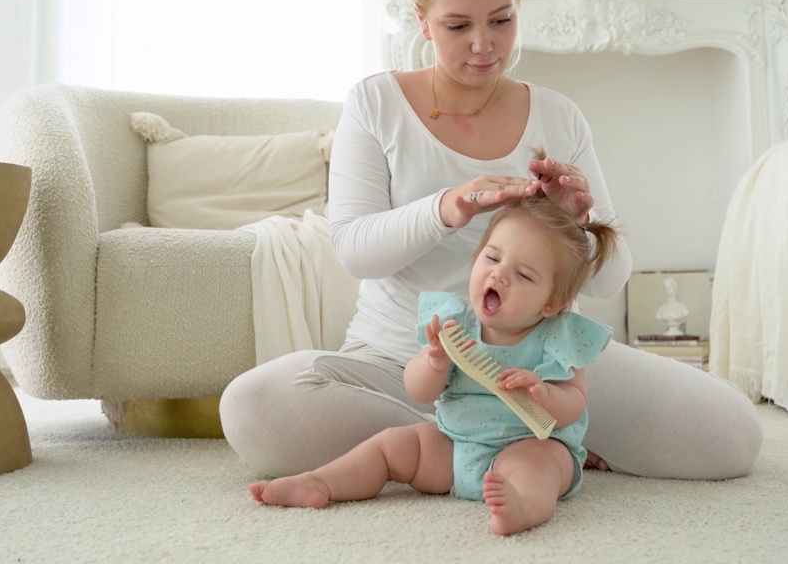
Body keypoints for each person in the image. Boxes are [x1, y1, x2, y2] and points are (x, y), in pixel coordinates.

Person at [219, 0, 760, 487]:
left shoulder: (558, 117)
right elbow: (353, 248)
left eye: (501, 20)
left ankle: (473, 444)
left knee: (733, 435)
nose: (484, 45)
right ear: (421, 20)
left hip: (541, 366)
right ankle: (509, 442)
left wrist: (577, 225)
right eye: (457, 26)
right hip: (405, 364)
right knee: (253, 406)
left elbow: (610, 279)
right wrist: (447, 208)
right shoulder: (376, 103)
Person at [250, 195, 619, 535]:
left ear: (551, 303)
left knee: (540, 467)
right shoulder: (455, 324)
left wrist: (544, 393)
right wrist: (434, 362)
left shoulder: (558, 340)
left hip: (528, 445)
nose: (499, 275)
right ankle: (321, 482)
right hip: (455, 446)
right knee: (392, 444)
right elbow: (419, 390)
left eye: (523, 275)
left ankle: (522, 507)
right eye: (492, 258)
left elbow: (574, 404)